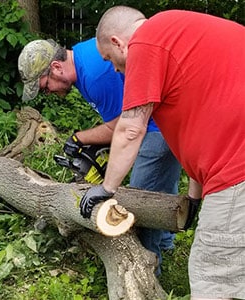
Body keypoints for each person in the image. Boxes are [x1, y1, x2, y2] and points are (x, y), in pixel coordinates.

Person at [79, 5, 245, 300]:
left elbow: (131, 127)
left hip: (238, 169)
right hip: (232, 160)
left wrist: (106, 189)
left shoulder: (146, 42)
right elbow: (202, 132)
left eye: (110, 59)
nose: (115, 69)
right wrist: (194, 197)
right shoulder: (180, 34)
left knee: (214, 276)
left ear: (118, 42)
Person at [18, 37, 181, 275]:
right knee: (160, 184)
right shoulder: (84, 57)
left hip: (157, 128)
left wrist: (80, 138)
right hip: (164, 121)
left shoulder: (95, 76)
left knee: (140, 201)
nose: (48, 92)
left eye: (45, 86)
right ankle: (166, 244)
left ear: (56, 67)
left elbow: (125, 125)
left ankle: (146, 274)